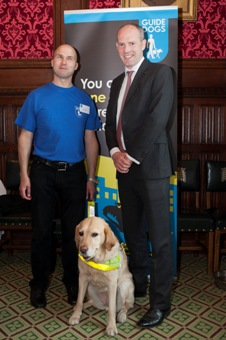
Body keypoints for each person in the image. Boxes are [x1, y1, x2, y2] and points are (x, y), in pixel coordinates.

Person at [15, 44, 101, 308]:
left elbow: (91, 141)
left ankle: (73, 283)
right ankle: (38, 284)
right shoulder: (36, 97)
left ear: (77, 66)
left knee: (74, 235)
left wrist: (91, 178)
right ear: (52, 62)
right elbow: (25, 137)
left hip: (75, 175)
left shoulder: (85, 100)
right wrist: (24, 174)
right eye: (59, 57)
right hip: (42, 172)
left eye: (70, 58)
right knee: (41, 232)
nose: (64, 62)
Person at [105, 24, 175, 328]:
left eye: (132, 43)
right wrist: (114, 152)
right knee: (133, 234)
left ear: (144, 43)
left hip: (152, 167)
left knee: (159, 239)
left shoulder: (161, 73)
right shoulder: (118, 81)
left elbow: (157, 119)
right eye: (121, 45)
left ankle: (160, 304)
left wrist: (130, 156)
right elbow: (110, 124)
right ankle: (141, 287)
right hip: (125, 169)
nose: (126, 50)